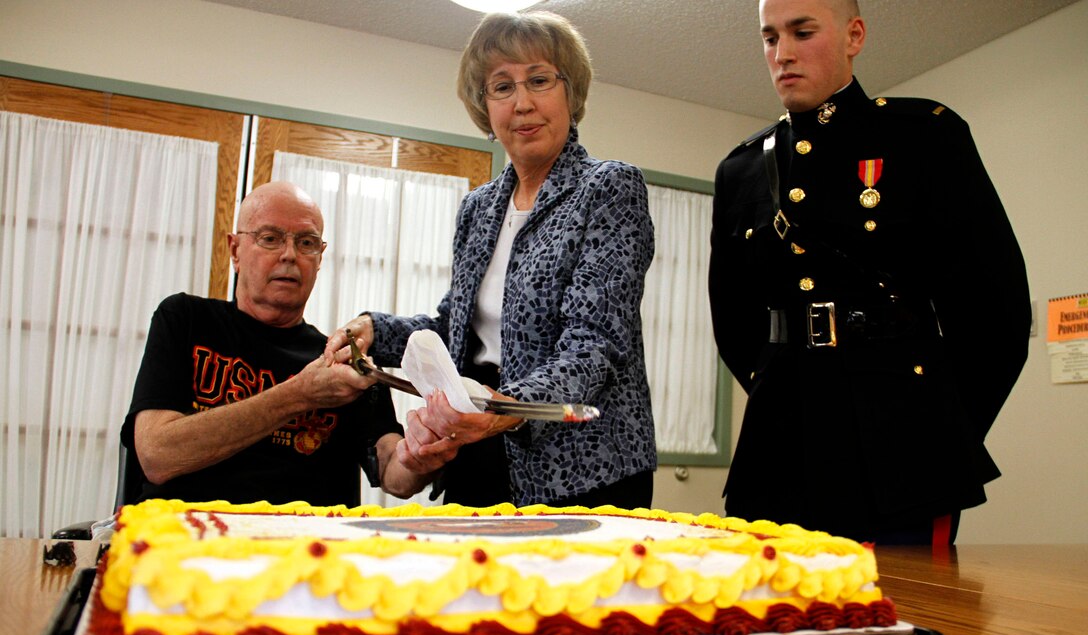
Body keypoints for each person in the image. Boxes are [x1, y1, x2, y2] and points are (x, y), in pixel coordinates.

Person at [709, 0, 1030, 544]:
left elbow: (995, 314)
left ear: (853, 35)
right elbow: (735, 326)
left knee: (907, 619)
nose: (782, 53)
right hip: (778, 446)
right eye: (769, 38)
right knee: (776, 616)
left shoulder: (923, 135)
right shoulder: (739, 170)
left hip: (903, 448)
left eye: (802, 32)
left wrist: (937, 430)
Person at [328, 11, 656, 509]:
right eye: (501, 87)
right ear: (485, 108)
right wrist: (375, 328)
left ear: (571, 93)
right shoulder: (478, 208)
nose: (523, 103)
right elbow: (454, 323)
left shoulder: (608, 189)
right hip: (478, 444)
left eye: (540, 80)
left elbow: (594, 344)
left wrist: (508, 409)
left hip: (583, 467)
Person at [121, 181, 443, 506]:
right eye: (270, 239)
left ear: (319, 258)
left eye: (306, 243)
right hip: (183, 540)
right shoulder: (186, 319)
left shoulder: (340, 360)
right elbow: (157, 455)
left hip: (306, 547)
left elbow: (393, 472)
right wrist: (300, 394)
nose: (289, 255)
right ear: (235, 251)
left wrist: (425, 449)